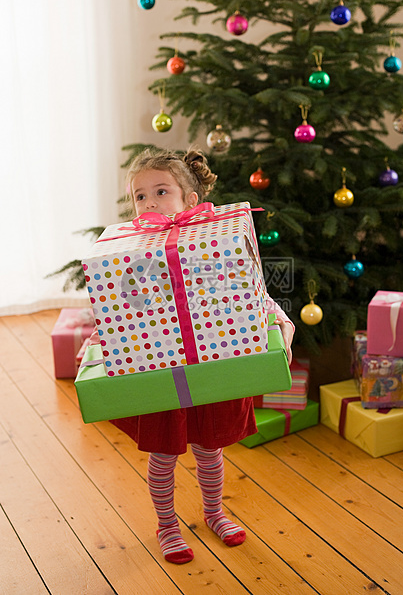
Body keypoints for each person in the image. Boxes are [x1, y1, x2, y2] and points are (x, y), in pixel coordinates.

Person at [90, 147, 295, 565]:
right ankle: (167, 526)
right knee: (163, 456)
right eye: (140, 196)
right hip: (159, 371)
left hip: (212, 369)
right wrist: (99, 343)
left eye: (161, 191)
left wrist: (277, 324)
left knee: (210, 449)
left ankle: (214, 512)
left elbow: (246, 291)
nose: (149, 203)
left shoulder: (214, 242)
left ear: (190, 199)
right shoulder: (129, 254)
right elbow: (116, 308)